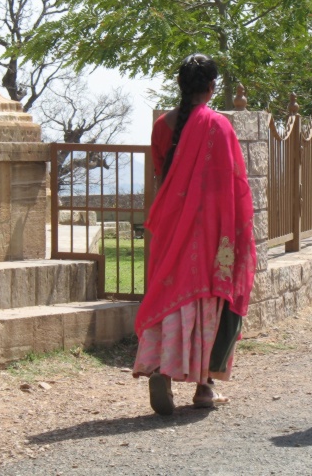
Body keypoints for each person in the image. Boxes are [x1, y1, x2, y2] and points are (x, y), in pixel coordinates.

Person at [133, 54, 256, 416]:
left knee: (170, 293)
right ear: (212, 87)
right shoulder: (218, 125)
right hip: (211, 230)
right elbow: (234, 183)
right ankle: (205, 386)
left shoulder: (162, 124)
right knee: (209, 299)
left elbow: (162, 175)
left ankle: (161, 369)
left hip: (171, 225)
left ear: (181, 85)